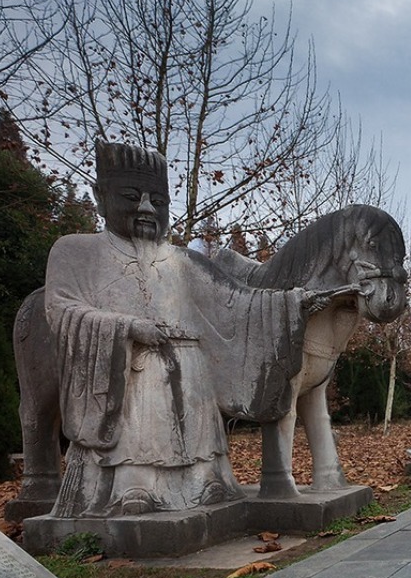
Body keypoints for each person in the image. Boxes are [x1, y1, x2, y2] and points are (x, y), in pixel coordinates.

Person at [45, 141, 315, 517]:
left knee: (198, 436)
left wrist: (290, 303)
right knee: (143, 416)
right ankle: (133, 485)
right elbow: (61, 309)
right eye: (130, 196)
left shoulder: (182, 260)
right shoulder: (75, 251)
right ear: (99, 195)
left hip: (190, 367)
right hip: (132, 367)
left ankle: (206, 480)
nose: (145, 207)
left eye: (157, 200)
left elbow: (235, 301)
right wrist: (127, 327)